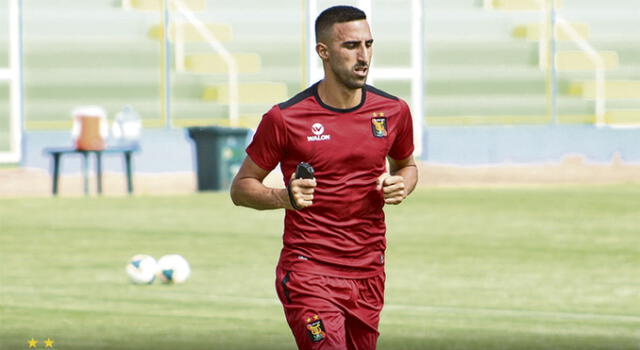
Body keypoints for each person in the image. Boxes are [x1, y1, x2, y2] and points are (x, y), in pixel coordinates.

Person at [230, 5, 418, 350]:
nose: (363, 56)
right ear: (324, 52)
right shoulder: (285, 118)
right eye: (351, 46)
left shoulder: (393, 111)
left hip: (368, 272)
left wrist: (402, 183)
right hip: (309, 272)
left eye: (369, 44)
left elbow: (407, 165)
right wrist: (282, 197)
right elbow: (241, 188)